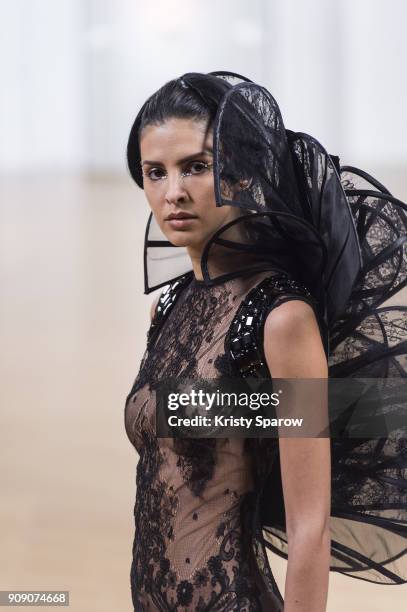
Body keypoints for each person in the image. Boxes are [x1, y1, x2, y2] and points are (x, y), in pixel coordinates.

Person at [124, 71, 407, 611]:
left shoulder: (281, 317)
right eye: (154, 172)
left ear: (242, 172)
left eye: (197, 167)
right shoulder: (172, 304)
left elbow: (309, 527)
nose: (172, 192)